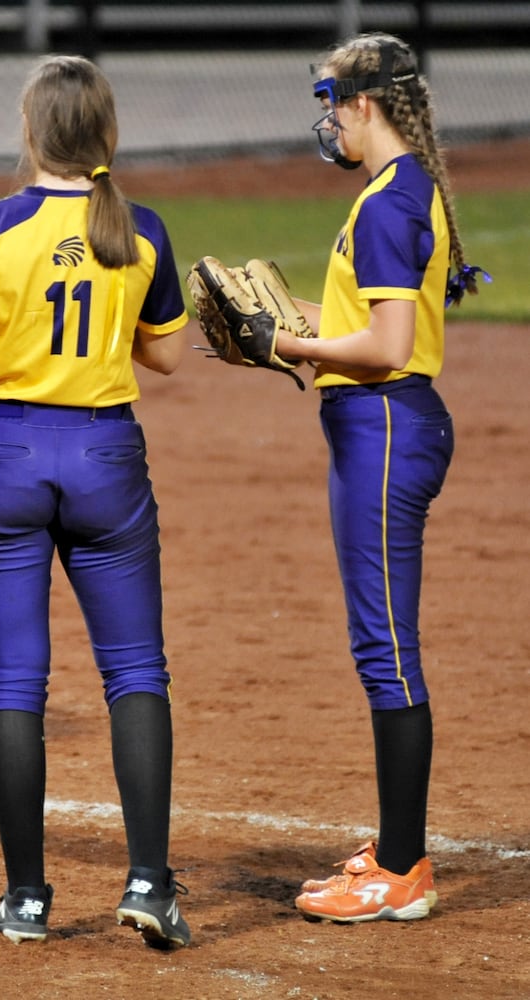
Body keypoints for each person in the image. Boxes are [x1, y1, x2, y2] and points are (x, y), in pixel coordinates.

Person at [0, 55, 190, 947]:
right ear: (106, 135)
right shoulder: (141, 229)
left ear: (32, 133)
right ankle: (150, 884)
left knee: (13, 679)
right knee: (136, 670)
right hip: (106, 458)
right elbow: (166, 358)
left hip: (4, 458)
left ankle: (29, 899)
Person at [273, 32, 483, 922]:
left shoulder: (392, 203)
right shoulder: (391, 195)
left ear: (364, 104)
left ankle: (399, 871)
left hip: (387, 428)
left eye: (332, 104)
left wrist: (290, 344)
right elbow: (364, 320)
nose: (327, 122)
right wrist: (286, 320)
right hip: (378, 426)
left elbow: (389, 348)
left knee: (385, 647)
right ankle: (397, 851)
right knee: (379, 642)